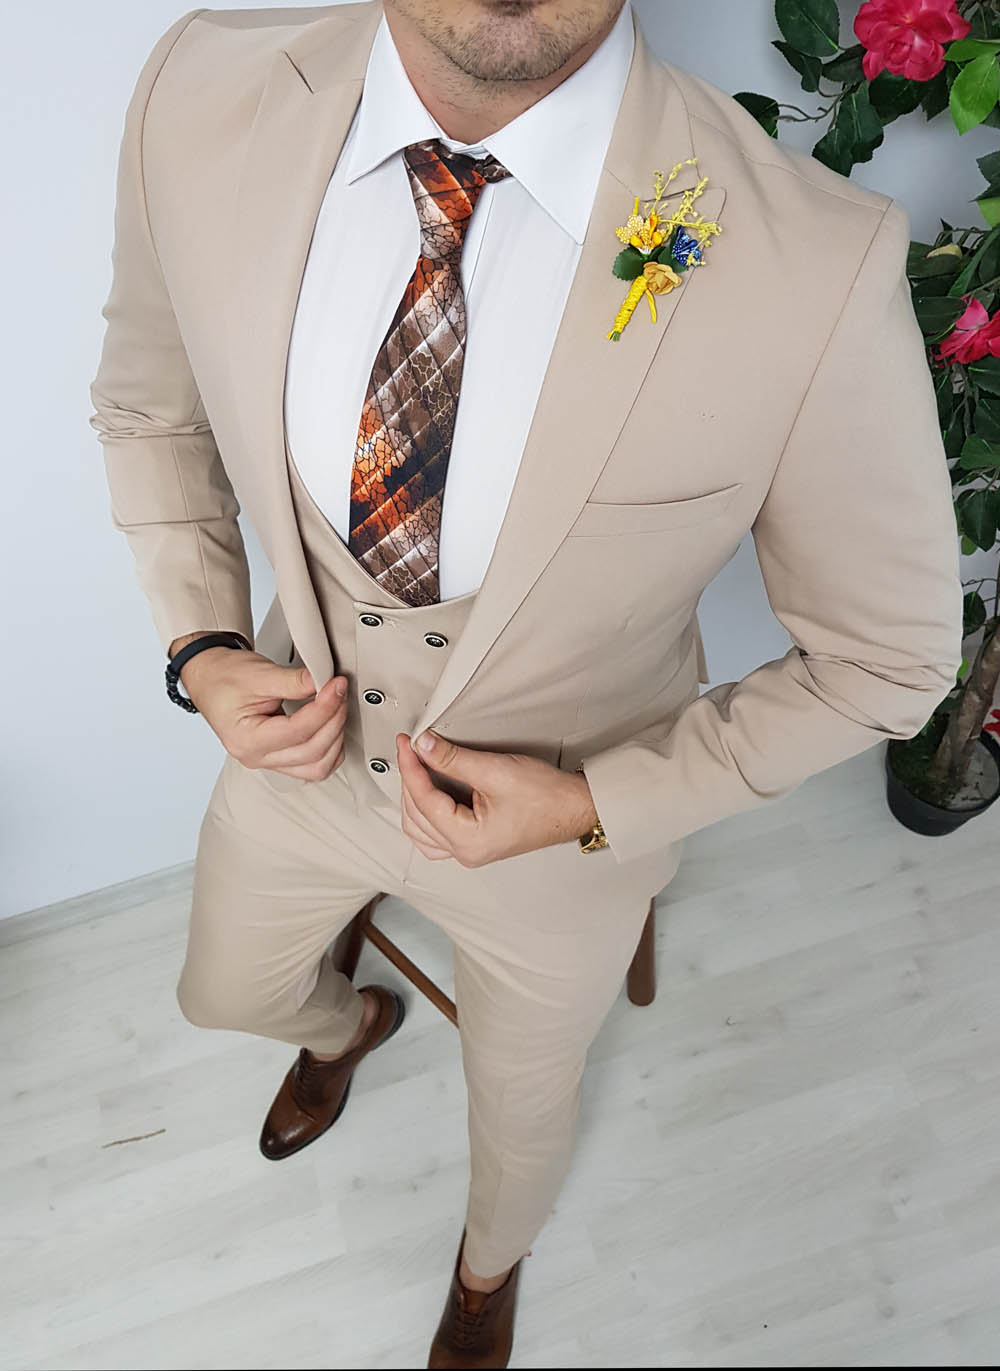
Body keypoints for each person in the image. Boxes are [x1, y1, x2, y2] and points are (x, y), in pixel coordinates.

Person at [89, 1, 964, 1365]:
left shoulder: (815, 256)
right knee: (225, 994)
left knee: (523, 1119)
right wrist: (200, 646)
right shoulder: (199, 84)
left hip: (567, 825)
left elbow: (892, 658)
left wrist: (599, 805)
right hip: (305, 756)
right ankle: (350, 1023)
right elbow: (150, 405)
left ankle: (486, 1271)